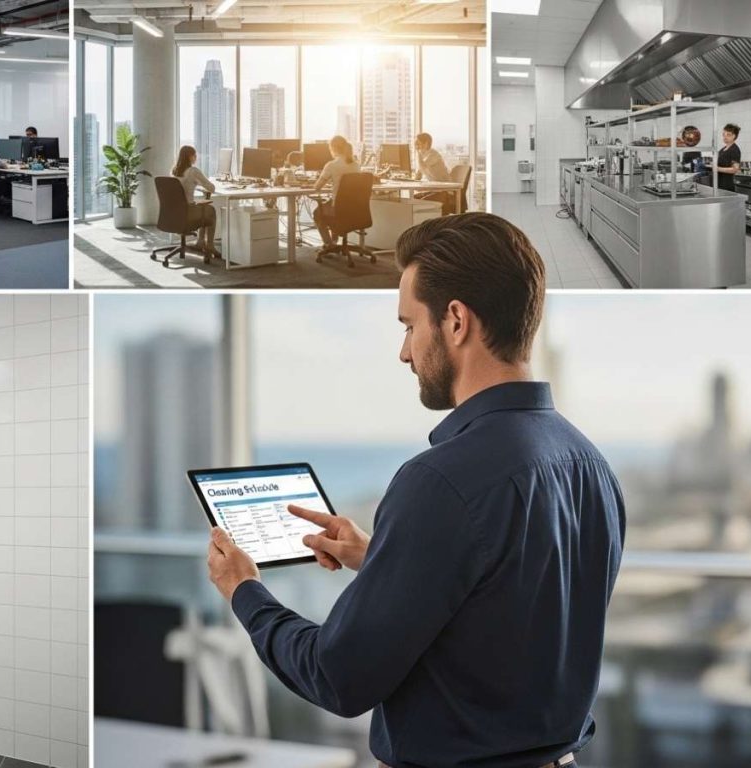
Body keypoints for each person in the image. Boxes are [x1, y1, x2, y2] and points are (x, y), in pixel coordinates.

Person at [206, 212, 626, 768]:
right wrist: (381, 557)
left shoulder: (439, 481)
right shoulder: (591, 466)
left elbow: (338, 677)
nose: (404, 352)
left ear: (455, 321)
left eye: (408, 326)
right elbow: (508, 612)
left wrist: (245, 592)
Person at [312, 134, 361, 247]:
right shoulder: (356, 165)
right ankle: (334, 242)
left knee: (317, 213)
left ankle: (329, 244)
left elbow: (317, 187)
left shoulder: (331, 165)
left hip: (337, 209)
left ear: (333, 148)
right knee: (329, 206)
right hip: (355, 208)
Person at [171, 145, 217, 260]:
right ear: (189, 157)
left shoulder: (174, 171)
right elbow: (211, 188)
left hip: (175, 212)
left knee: (203, 207)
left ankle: (200, 242)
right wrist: (203, 182)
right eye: (194, 155)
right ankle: (210, 245)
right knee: (210, 210)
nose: (196, 157)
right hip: (188, 212)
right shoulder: (193, 171)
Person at [716, 122, 741, 192]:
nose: (725, 137)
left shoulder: (734, 150)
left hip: (727, 185)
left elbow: (735, 169)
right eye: (723, 134)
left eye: (728, 135)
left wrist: (718, 169)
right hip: (719, 184)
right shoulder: (723, 149)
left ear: (734, 136)